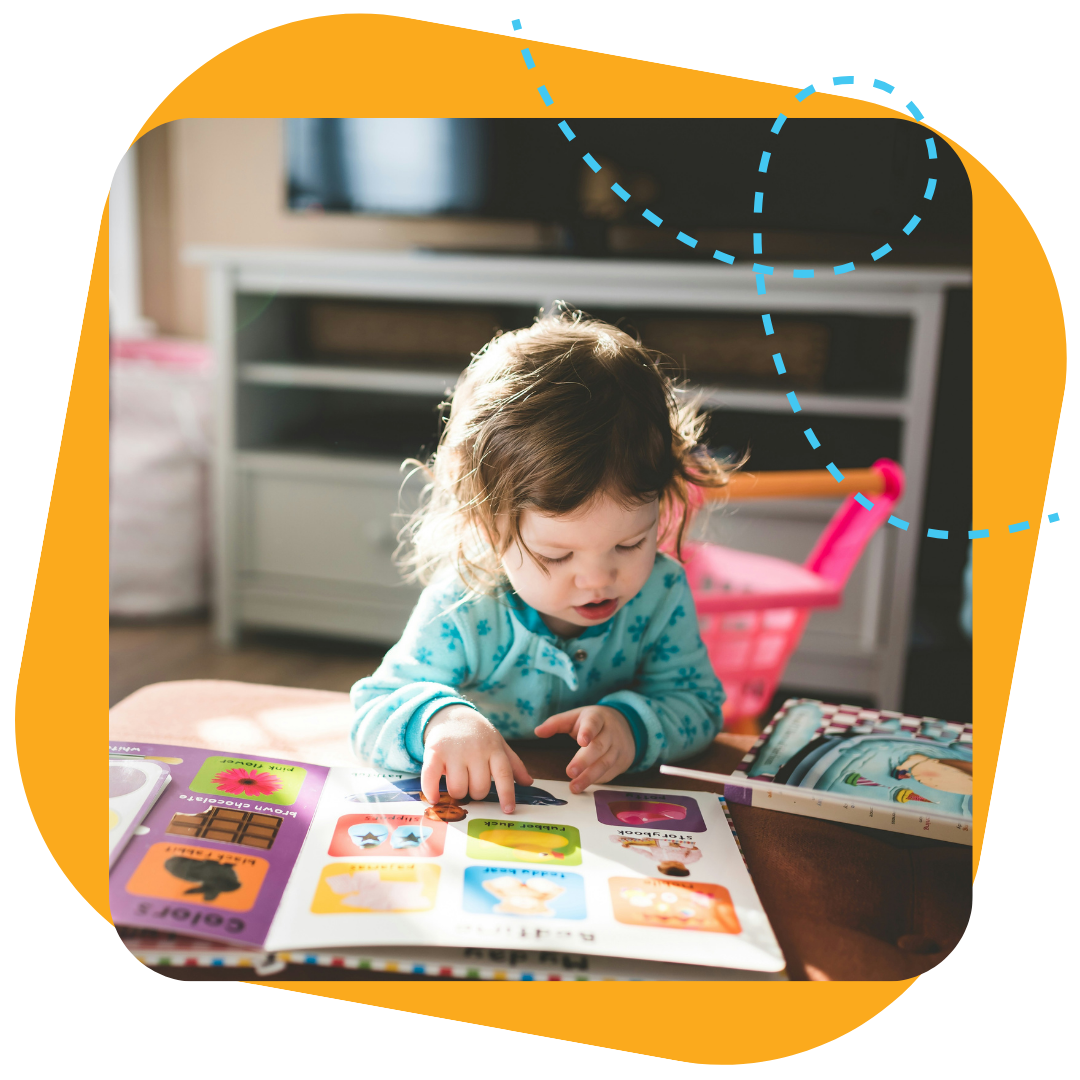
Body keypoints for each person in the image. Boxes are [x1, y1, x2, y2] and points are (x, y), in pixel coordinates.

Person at [350, 308, 737, 812]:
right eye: (557, 555)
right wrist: (441, 720)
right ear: (487, 527)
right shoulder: (463, 607)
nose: (600, 578)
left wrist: (633, 726)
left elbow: (700, 707)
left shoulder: (661, 594)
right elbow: (372, 710)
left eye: (630, 544)